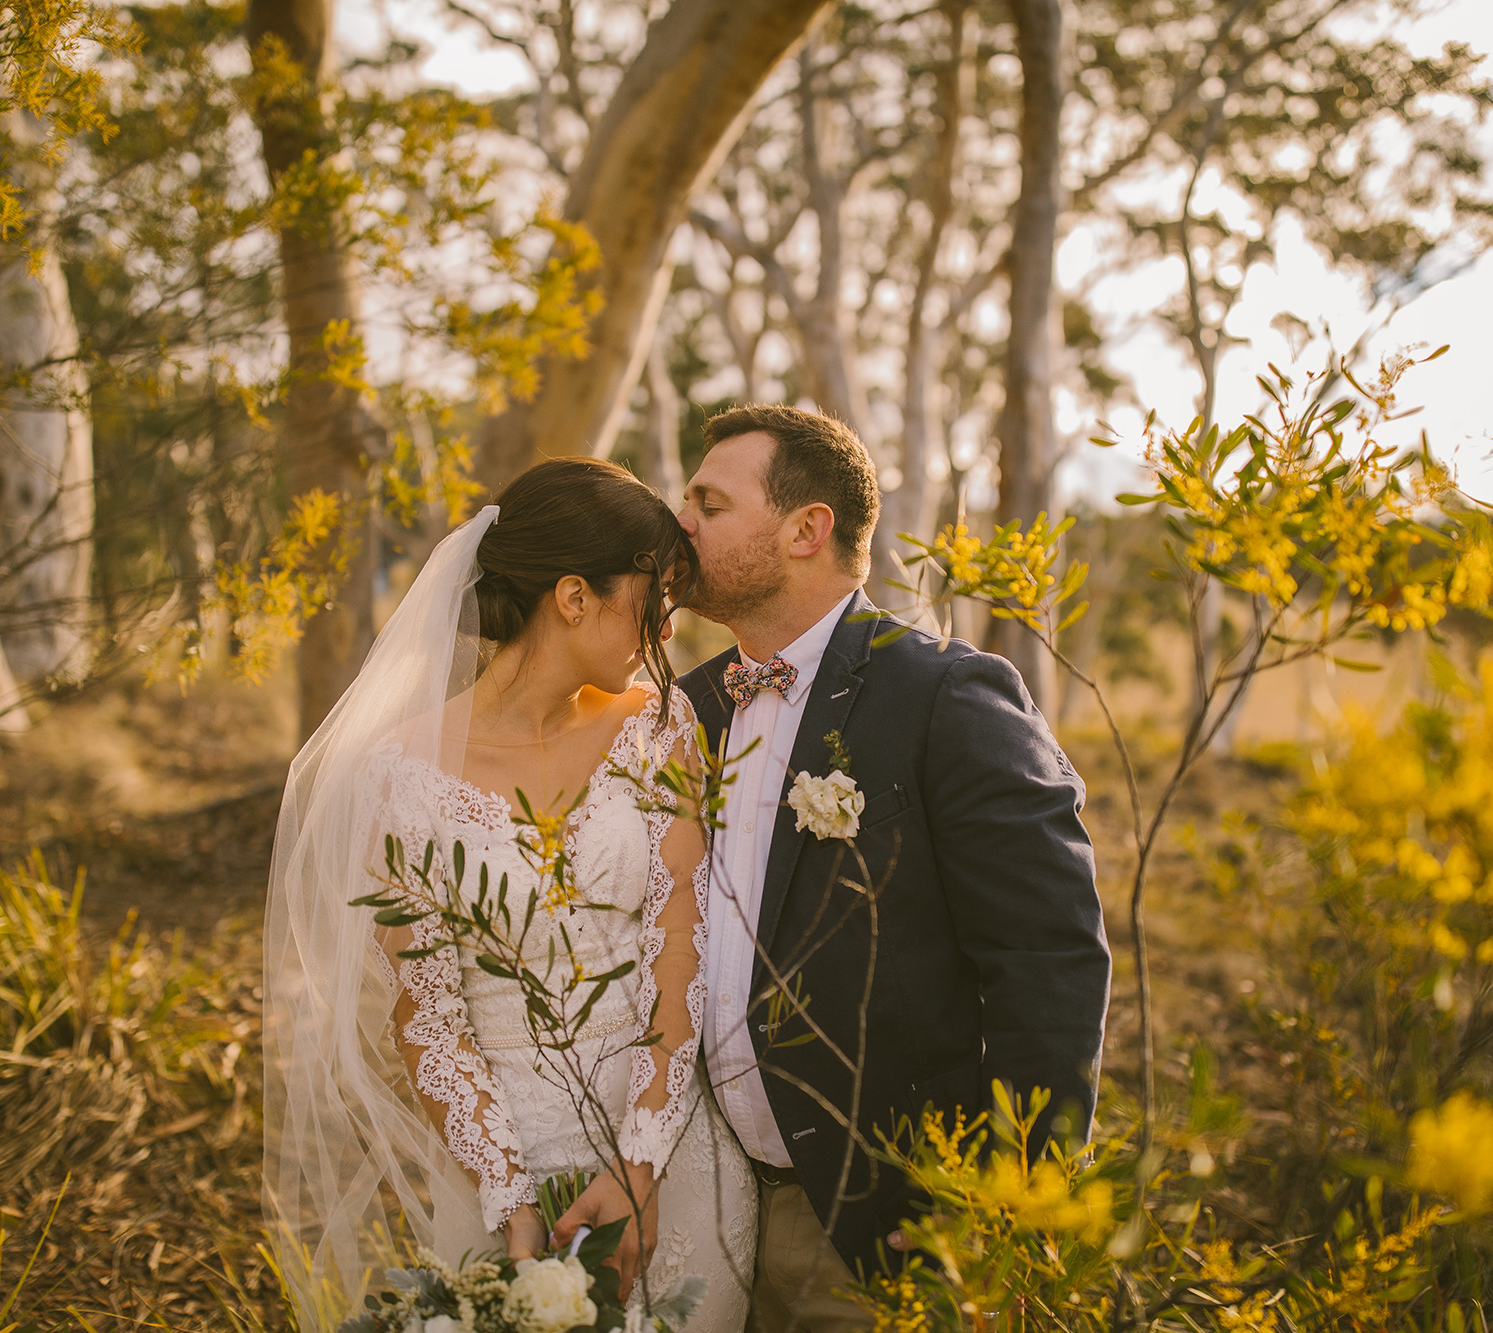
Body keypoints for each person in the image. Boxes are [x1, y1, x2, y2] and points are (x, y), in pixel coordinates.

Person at [263, 458, 754, 1333]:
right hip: (505, 1178)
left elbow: (677, 953)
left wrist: (639, 1165)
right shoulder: (403, 777)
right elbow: (431, 1018)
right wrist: (507, 1191)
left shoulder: (658, 725)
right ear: (574, 595)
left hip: (672, 1156)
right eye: (654, 596)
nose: (665, 627)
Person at [675, 404, 1113, 1333]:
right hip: (706, 1205)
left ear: (807, 528)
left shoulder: (947, 694)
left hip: (884, 1223)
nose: (682, 524)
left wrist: (1014, 1208)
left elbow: (1049, 960)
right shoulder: (690, 707)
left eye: (709, 504)